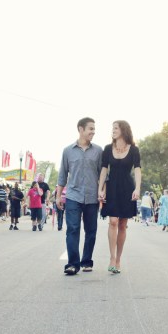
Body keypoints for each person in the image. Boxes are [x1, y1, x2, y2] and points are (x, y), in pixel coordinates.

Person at [56, 117, 103, 275]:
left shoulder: (98, 150)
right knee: (73, 229)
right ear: (80, 129)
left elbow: (103, 176)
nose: (93, 132)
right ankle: (72, 264)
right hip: (73, 196)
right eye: (90, 129)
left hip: (92, 197)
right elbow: (62, 175)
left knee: (91, 230)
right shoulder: (67, 151)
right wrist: (57, 197)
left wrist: (103, 193)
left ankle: (87, 261)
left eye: (94, 129)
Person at [98, 120, 141, 274]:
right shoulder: (108, 149)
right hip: (112, 188)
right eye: (112, 128)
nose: (113, 131)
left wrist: (137, 188)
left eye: (115, 128)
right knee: (113, 221)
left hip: (127, 188)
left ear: (123, 130)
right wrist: (100, 189)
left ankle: (118, 259)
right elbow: (104, 170)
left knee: (122, 224)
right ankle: (111, 257)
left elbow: (137, 170)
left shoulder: (134, 150)